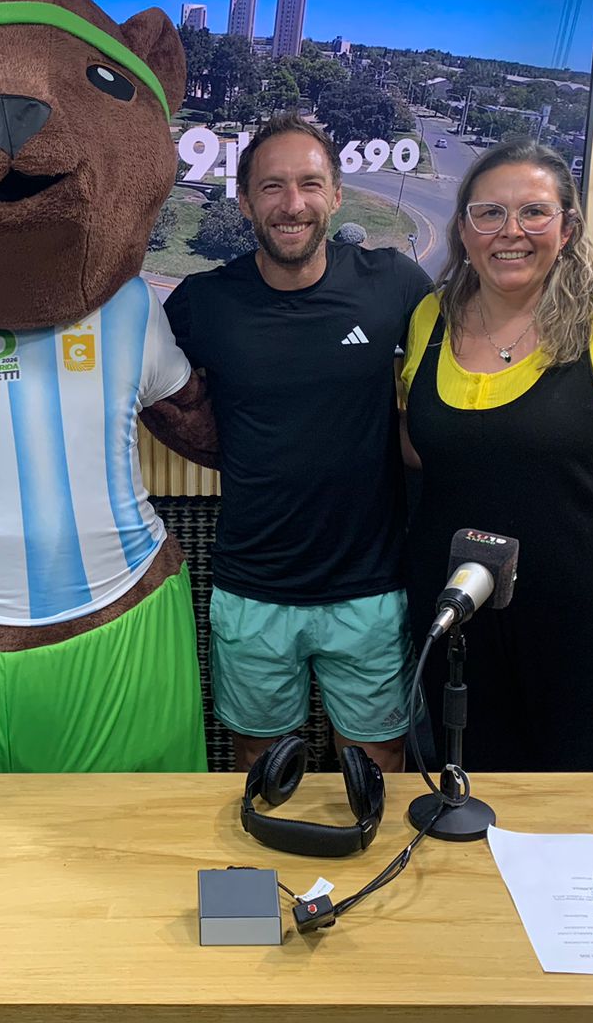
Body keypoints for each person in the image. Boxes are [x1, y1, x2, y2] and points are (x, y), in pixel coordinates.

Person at [400, 140, 593, 772]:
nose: (511, 232)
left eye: (534, 212)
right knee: (474, 818)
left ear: (567, 228)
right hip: (464, 635)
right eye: (489, 214)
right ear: (463, 229)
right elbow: (421, 448)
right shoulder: (430, 318)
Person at [164, 112, 431, 773]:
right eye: (272, 187)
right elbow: (146, 389)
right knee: (262, 772)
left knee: (377, 773)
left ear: (336, 195)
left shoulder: (394, 285)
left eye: (310, 185)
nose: (293, 204)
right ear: (246, 199)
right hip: (253, 588)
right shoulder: (203, 302)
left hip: (370, 590)